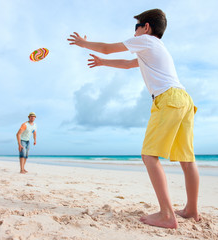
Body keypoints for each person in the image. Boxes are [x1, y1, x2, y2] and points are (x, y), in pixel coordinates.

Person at [67, 9, 200, 229]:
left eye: (136, 27)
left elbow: (108, 48)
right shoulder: (156, 48)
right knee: (187, 159)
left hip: (168, 99)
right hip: (184, 99)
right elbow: (129, 64)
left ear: (146, 27)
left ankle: (167, 215)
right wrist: (102, 63)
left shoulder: (146, 41)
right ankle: (192, 210)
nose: (134, 32)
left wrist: (83, 43)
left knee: (149, 156)